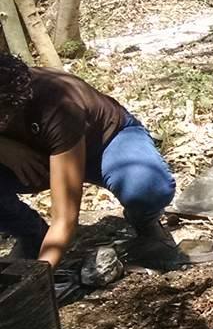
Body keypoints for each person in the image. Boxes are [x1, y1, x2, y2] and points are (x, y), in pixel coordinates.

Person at [0, 54, 177, 268]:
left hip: (105, 143)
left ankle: (146, 223)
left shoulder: (56, 105)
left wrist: (41, 277)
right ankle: (32, 235)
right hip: (39, 156)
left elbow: (64, 219)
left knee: (147, 188)